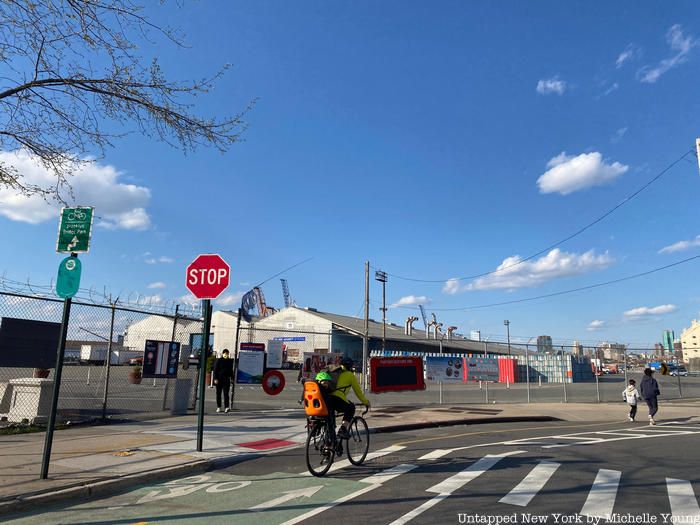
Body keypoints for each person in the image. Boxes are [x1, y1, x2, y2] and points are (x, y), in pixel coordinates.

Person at [326, 357, 370, 439]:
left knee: (330, 421)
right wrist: (366, 402)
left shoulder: (333, 371)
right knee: (351, 408)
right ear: (350, 366)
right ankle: (343, 429)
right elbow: (358, 392)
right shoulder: (350, 375)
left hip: (326, 398)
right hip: (337, 399)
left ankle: (328, 444)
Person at [213, 349, 234, 413]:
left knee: (226, 394)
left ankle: (226, 407)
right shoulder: (219, 360)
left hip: (226, 379)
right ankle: (219, 407)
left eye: (227, 353)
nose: (226, 354)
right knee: (218, 394)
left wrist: (232, 378)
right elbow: (215, 370)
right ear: (222, 354)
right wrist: (215, 378)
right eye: (225, 353)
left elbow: (231, 371)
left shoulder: (229, 361)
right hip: (219, 379)